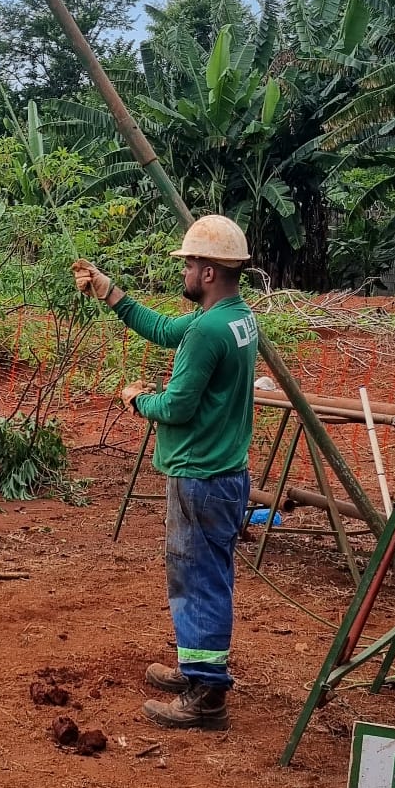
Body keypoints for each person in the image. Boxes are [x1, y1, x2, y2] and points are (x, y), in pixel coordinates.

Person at [72, 215, 258, 730]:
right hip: (222, 472)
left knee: (198, 581)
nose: (187, 269)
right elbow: (161, 328)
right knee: (203, 576)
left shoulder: (208, 332)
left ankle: (207, 694)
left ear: (211, 272)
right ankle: (196, 668)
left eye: (193, 262)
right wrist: (111, 293)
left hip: (202, 475)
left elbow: (175, 406)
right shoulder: (235, 318)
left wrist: (136, 399)